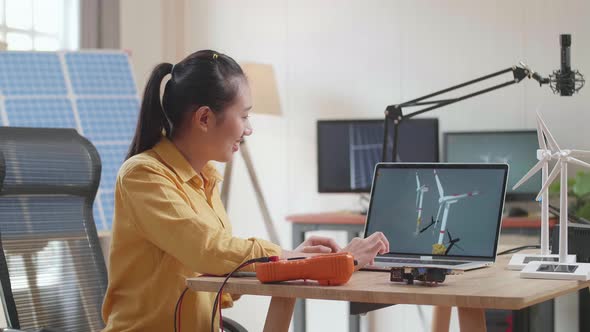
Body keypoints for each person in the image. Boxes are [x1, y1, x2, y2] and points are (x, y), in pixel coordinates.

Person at [101, 50, 390, 332]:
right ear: (204, 119)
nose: (248, 129)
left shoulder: (206, 180)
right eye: (244, 116)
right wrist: (308, 261)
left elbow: (218, 274)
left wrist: (291, 262)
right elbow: (208, 251)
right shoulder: (143, 175)